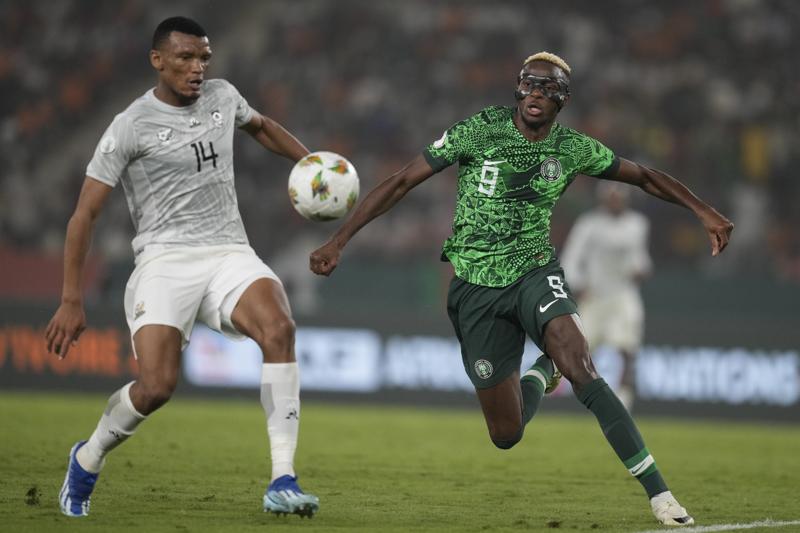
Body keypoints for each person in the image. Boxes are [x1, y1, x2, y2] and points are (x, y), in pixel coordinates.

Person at [310, 52, 733, 526]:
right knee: (506, 434)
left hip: (534, 272)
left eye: (548, 88)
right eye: (530, 84)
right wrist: (339, 240)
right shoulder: (479, 130)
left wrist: (703, 211)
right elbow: (403, 181)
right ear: (518, 88)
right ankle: (540, 372)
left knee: (581, 366)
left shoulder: (572, 148)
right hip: (474, 289)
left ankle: (661, 496)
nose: (537, 93)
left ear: (562, 100)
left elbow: (645, 177)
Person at [45, 16, 319, 519]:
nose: (198, 68)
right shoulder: (130, 124)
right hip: (164, 260)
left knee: (280, 329)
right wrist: (70, 297)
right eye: (186, 58)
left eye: (204, 58)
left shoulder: (223, 96)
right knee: (156, 387)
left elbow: (261, 127)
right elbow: (84, 214)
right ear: (158, 60)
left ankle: (282, 478)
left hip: (228, 250)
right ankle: (87, 457)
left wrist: (312, 165)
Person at [560, 181, 652, 411]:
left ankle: (623, 402)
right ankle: (591, 398)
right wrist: (578, 285)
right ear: (602, 199)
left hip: (623, 295)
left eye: (618, 197)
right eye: (610, 197)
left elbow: (640, 259)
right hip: (594, 296)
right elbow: (571, 258)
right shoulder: (589, 225)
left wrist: (641, 270)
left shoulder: (637, 224)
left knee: (628, 350)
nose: (614, 201)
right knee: (581, 352)